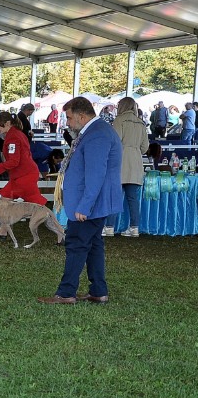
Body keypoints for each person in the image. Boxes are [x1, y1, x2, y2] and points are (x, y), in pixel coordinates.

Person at [39, 96, 122, 304]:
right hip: (93, 202)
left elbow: (96, 173)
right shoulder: (95, 132)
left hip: (91, 203)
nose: (66, 122)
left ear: (81, 116)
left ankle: (66, 293)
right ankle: (98, 291)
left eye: (68, 118)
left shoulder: (97, 135)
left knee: (76, 244)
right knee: (93, 244)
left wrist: (85, 205)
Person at [0, 111, 47, 238]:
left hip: (24, 176)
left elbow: (14, 161)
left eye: (0, 125)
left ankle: (60, 228)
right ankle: (3, 231)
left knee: (38, 205)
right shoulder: (17, 134)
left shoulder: (13, 137)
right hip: (23, 174)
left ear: (8, 123)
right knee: (7, 199)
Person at [102, 96, 149, 238]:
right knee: (132, 198)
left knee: (114, 196)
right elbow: (145, 147)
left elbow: (115, 141)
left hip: (120, 160)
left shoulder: (119, 120)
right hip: (135, 161)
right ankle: (134, 228)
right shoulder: (141, 123)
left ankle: (109, 227)